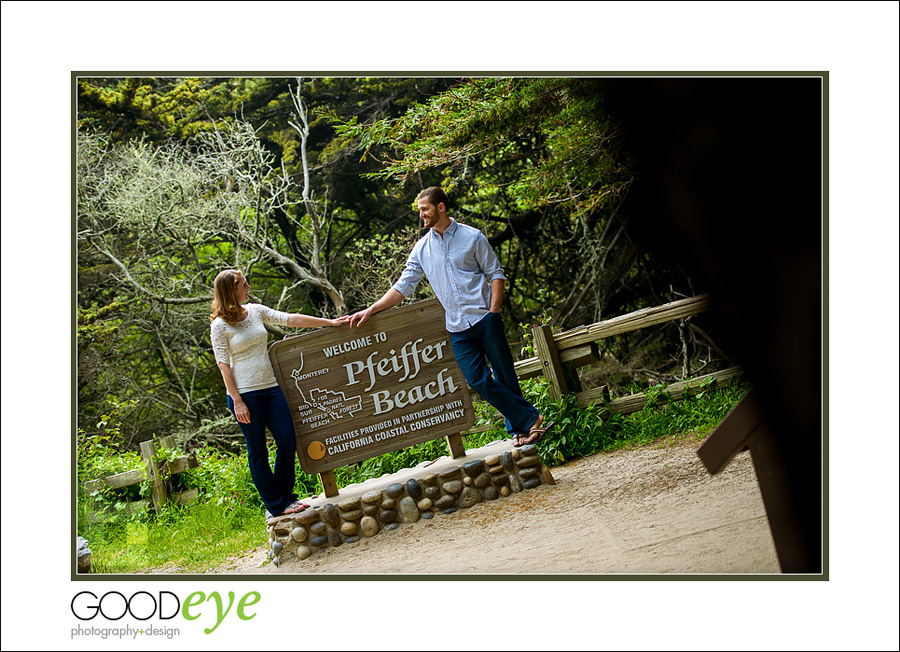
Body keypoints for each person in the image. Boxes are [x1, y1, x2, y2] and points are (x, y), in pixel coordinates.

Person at [349, 187, 555, 447]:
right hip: (457, 328)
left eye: (424, 209)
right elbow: (402, 287)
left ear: (441, 207)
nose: (421, 215)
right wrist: (371, 309)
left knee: (505, 374)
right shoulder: (421, 249)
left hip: (484, 317)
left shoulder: (472, 237)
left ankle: (519, 431)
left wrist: (494, 312)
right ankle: (530, 417)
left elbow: (496, 274)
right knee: (478, 380)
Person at [210, 269, 349, 518]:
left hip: (270, 388)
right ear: (231, 290)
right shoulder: (220, 326)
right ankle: (278, 504)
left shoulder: (255, 311)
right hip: (245, 395)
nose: (248, 287)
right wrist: (237, 401)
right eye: (243, 285)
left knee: (286, 440)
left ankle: (285, 499)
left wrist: (328, 322)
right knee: (258, 451)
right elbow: (223, 366)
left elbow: (290, 319)